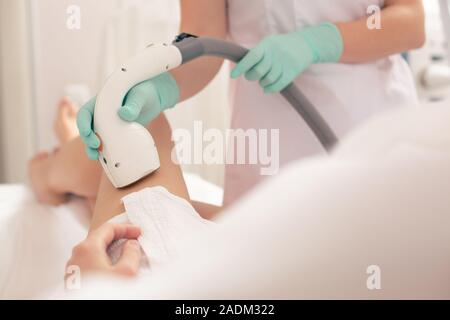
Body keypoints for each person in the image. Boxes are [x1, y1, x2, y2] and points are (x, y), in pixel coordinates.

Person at [77, 0, 425, 213]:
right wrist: (158, 86)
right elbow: (201, 38)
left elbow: (410, 20)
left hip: (371, 120)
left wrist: (321, 42)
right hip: (265, 147)